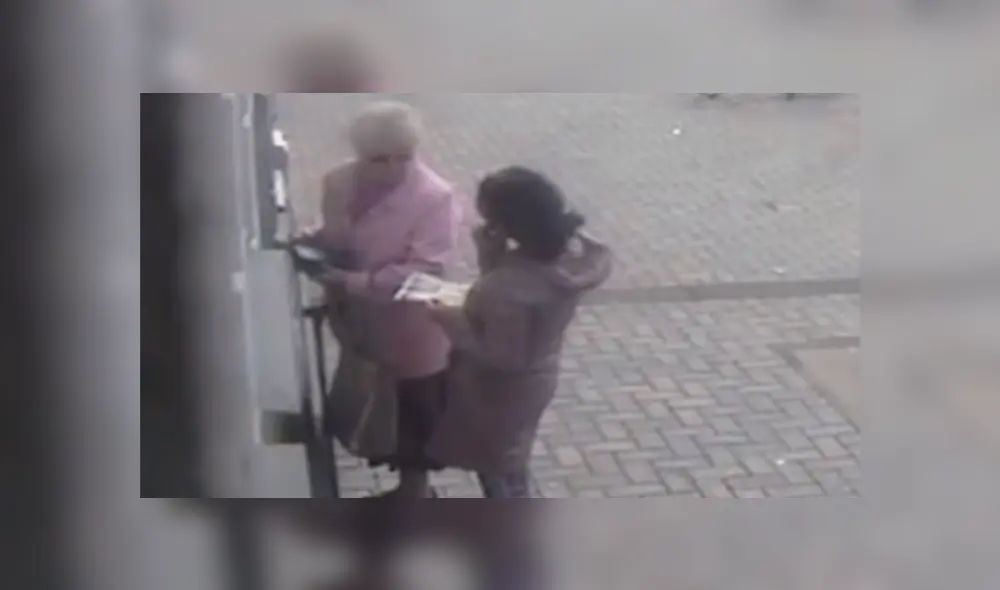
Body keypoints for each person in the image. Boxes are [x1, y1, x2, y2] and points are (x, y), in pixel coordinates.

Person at [298, 100, 462, 500]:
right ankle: (403, 489)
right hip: (361, 322)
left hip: (412, 331)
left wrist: (352, 281)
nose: (391, 169)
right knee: (375, 404)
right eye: (378, 159)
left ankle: (415, 492)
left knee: (414, 413)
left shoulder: (434, 198)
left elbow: (425, 269)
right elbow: (340, 234)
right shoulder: (339, 182)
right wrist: (315, 242)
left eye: (402, 158)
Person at [423, 166, 613, 498]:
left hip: (499, 391)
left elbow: (504, 356)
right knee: (512, 456)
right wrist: (492, 262)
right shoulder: (571, 254)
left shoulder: (507, 287)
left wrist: (451, 320)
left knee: (496, 467)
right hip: (539, 376)